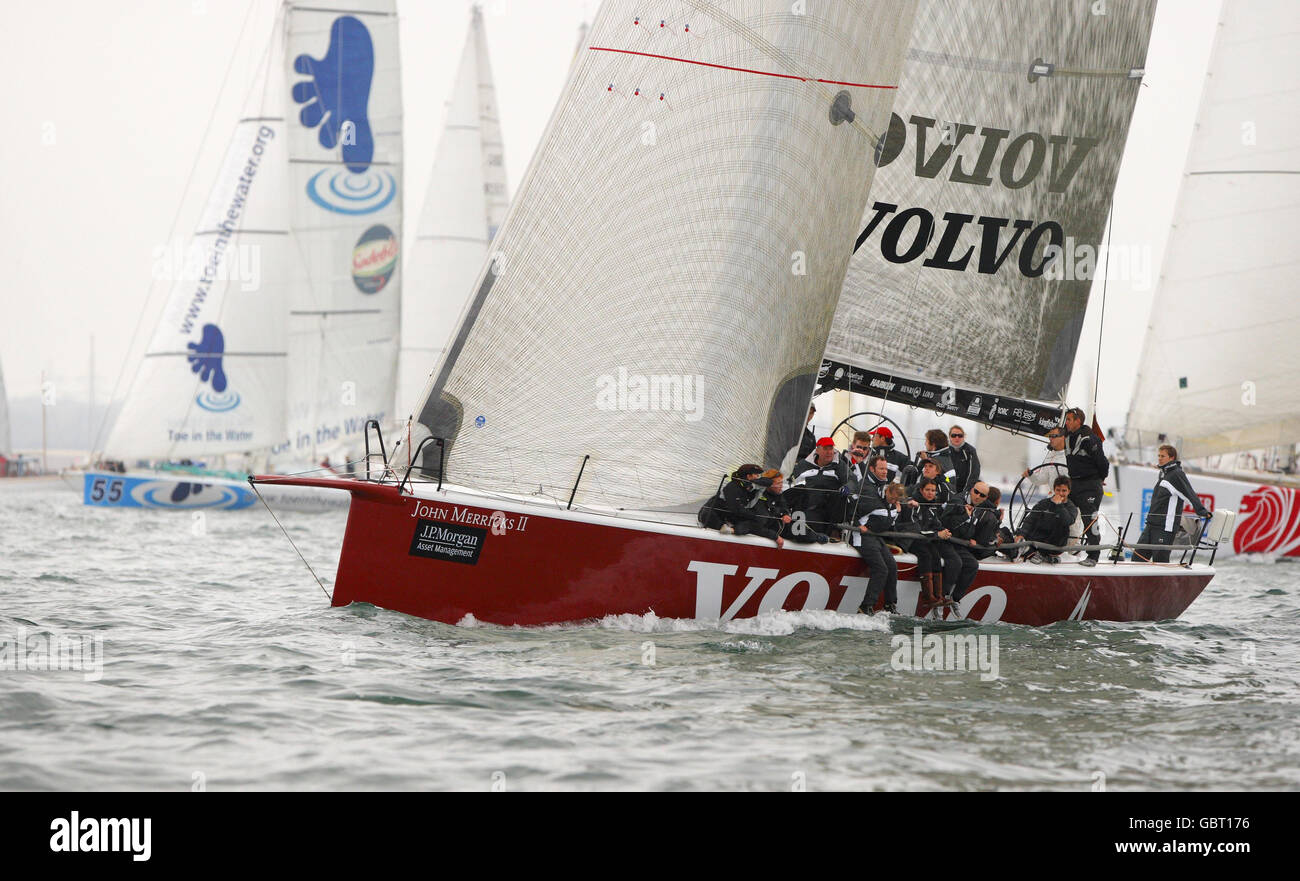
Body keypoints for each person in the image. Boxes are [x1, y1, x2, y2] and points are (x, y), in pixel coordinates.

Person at [1134, 445, 1211, 563]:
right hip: (1151, 525)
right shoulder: (1164, 473)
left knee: (1160, 562)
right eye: (1158, 456)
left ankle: (1163, 581)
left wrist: (1202, 511)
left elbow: (1190, 493)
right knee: (1136, 559)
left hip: (1165, 528)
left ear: (1171, 458)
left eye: (1163, 456)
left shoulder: (1177, 474)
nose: (1159, 458)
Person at [1063, 407, 1109, 566]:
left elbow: (1103, 463)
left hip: (1090, 485)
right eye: (1066, 419)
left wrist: (1099, 478)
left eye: (1069, 420)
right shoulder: (1067, 436)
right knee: (1060, 511)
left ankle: (1093, 556)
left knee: (1090, 520)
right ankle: (1055, 549)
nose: (1066, 422)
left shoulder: (1090, 439)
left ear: (1078, 421)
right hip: (1073, 484)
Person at [849, 474, 899, 614]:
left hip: (876, 537)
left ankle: (890, 604)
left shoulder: (894, 506)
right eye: (892, 497)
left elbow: (889, 524)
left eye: (897, 499)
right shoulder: (872, 501)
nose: (893, 500)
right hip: (862, 537)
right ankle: (866, 605)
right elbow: (852, 511)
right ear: (887, 491)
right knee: (881, 569)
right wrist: (858, 525)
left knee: (892, 566)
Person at [939, 480, 997, 600]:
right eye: (976, 492)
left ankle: (955, 599)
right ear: (971, 490)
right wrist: (965, 516)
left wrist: (976, 540)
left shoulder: (980, 505)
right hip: (944, 540)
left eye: (982, 495)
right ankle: (942, 596)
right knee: (956, 562)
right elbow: (944, 522)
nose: (977, 496)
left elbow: (993, 508)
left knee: (972, 565)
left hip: (959, 543)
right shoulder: (957, 501)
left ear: (985, 498)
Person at [789, 437, 849, 540]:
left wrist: (847, 487)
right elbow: (790, 480)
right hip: (809, 507)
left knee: (838, 496)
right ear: (817, 450)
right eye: (825, 449)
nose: (829, 452)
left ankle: (833, 531)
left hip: (830, 510)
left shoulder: (840, 466)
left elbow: (851, 480)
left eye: (831, 449)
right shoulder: (804, 465)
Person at [901, 477, 947, 608]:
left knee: (936, 556)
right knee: (925, 555)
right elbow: (916, 529)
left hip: (924, 539)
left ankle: (938, 596)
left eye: (933, 490)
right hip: (910, 539)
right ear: (921, 490)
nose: (930, 493)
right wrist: (937, 534)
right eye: (927, 490)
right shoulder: (913, 504)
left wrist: (944, 531)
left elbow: (936, 524)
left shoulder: (932, 505)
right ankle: (927, 597)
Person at [1016, 476, 1078, 563]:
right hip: (1038, 540)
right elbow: (1030, 520)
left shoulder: (1071, 507)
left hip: (1056, 544)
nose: (1060, 493)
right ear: (1054, 489)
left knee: (1060, 525)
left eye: (1064, 491)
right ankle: (1032, 552)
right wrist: (1021, 535)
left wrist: (1059, 505)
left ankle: (1040, 554)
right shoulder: (1043, 503)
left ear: (1069, 491)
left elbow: (1068, 521)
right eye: (1058, 490)